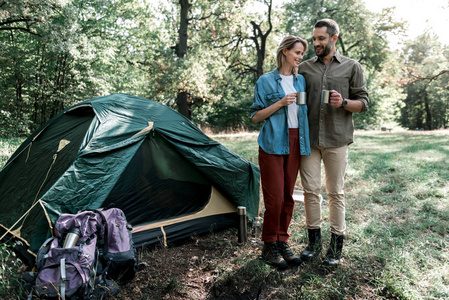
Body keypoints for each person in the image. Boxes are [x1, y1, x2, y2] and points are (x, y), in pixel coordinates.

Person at [298, 19, 369, 266]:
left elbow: (364, 103)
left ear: (334, 38)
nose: (315, 43)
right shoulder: (305, 68)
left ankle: (336, 246)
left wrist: (344, 103)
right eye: (314, 39)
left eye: (321, 39)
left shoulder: (352, 67)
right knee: (310, 192)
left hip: (337, 139)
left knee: (335, 192)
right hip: (309, 139)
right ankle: (313, 243)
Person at [250, 35, 311, 269]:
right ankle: (269, 244)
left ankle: (282, 240)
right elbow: (256, 116)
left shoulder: (301, 81)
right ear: (284, 51)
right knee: (274, 199)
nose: (299, 57)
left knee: (288, 197)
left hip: (296, 140)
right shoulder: (266, 81)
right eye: (297, 52)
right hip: (273, 142)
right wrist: (280, 103)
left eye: (302, 54)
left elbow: (303, 113)